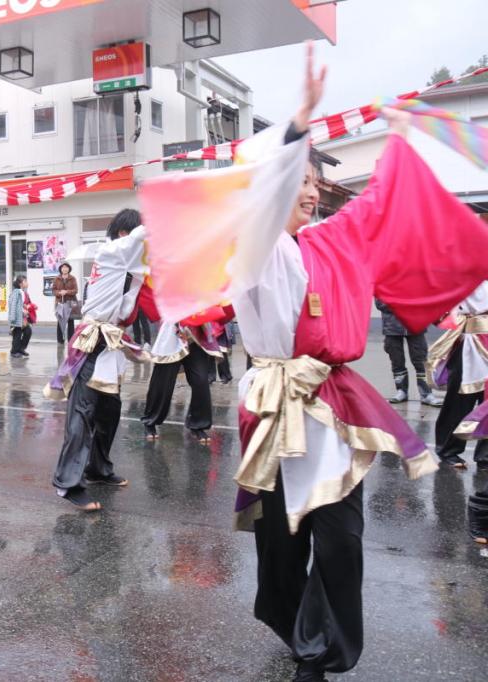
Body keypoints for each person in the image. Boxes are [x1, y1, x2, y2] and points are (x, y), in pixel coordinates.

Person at [223, 46, 488, 682]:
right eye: (299, 185)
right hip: (273, 406)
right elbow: (265, 203)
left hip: (329, 404)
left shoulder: (322, 242)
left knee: (341, 535)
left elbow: (368, 215)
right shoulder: (256, 250)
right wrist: (300, 121)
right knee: (282, 541)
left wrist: (399, 143)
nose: (310, 196)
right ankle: (291, 622)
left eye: (315, 187)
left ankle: (324, 647)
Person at [45, 208, 151, 511]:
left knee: (109, 411)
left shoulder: (130, 264)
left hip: (112, 342)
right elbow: (147, 233)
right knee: (82, 413)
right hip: (93, 340)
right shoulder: (114, 253)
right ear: (124, 235)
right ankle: (67, 483)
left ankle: (98, 469)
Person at [141, 307, 232, 443]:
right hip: (172, 333)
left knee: (201, 380)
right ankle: (150, 421)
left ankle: (198, 424)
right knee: (163, 381)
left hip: (197, 334)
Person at [427, 281, 488, 469]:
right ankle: (449, 450)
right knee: (460, 401)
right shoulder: (468, 271)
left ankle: (485, 455)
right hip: (473, 343)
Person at [375, 298, 441, 406]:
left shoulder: (415, 280)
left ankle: (426, 394)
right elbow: (380, 303)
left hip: (416, 324)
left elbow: (425, 298)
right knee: (397, 361)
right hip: (392, 327)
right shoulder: (384, 281)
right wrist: (402, 303)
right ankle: (401, 391)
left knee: (421, 361)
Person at [52, 262, 78, 344]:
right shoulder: (57, 278)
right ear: (60, 269)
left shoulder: (72, 278)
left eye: (66, 267)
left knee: (70, 322)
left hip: (70, 303)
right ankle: (60, 340)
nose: (64, 269)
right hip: (60, 303)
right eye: (63, 267)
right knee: (60, 321)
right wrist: (59, 292)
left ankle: (71, 340)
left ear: (69, 269)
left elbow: (75, 290)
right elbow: (53, 290)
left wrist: (66, 292)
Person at [8, 275, 32, 358]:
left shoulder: (24, 292)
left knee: (28, 331)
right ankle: (14, 351)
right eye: (25, 281)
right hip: (17, 318)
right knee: (17, 335)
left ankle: (21, 348)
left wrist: (27, 308)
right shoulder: (16, 292)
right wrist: (13, 318)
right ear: (20, 284)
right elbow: (13, 305)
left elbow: (24, 304)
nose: (27, 283)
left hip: (23, 318)